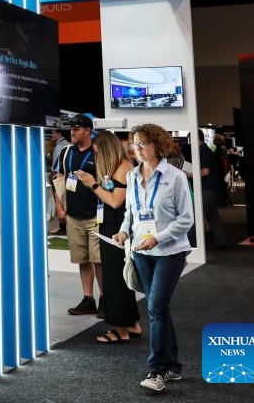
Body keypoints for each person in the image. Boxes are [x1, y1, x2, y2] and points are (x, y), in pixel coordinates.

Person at [113, 123, 194, 392]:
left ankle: (156, 370)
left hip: (169, 252)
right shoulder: (133, 176)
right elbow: (130, 213)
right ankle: (172, 367)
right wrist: (124, 232)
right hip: (141, 252)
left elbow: (186, 220)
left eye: (142, 144)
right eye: (134, 144)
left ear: (156, 145)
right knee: (157, 309)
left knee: (156, 307)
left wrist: (157, 238)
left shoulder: (175, 177)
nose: (136, 149)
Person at [74, 131, 141, 344]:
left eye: (96, 149)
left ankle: (119, 330)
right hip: (110, 229)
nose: (94, 153)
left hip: (116, 231)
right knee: (119, 279)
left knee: (114, 281)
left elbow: (114, 202)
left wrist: (93, 185)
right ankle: (132, 325)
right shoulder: (116, 168)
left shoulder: (123, 168)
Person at [52, 113, 104, 317]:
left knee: (99, 260)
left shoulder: (98, 152)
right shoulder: (66, 152)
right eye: (72, 128)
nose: (72, 131)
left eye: (77, 128)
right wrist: (59, 206)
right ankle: (88, 298)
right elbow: (59, 180)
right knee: (82, 260)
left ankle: (105, 299)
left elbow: (107, 180)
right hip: (74, 215)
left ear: (88, 131)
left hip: (95, 216)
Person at [196, 130, 228, 249]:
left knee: (196, 217)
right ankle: (222, 242)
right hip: (211, 189)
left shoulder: (203, 151)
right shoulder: (204, 150)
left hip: (207, 190)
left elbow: (205, 171)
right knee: (213, 216)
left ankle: (193, 246)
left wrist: (190, 174)